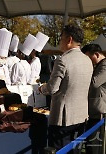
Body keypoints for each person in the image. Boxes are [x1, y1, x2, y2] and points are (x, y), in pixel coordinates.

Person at [38, 24, 93, 152]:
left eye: (61, 38)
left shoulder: (63, 60)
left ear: (69, 40)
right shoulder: (87, 60)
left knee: (59, 149)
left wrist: (41, 88)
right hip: (81, 114)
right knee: (75, 150)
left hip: (64, 118)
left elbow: (52, 88)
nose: (59, 42)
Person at [82, 44, 106, 154]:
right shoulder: (99, 66)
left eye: (88, 58)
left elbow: (94, 83)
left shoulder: (104, 65)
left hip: (99, 111)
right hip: (94, 111)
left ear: (96, 54)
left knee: (94, 145)